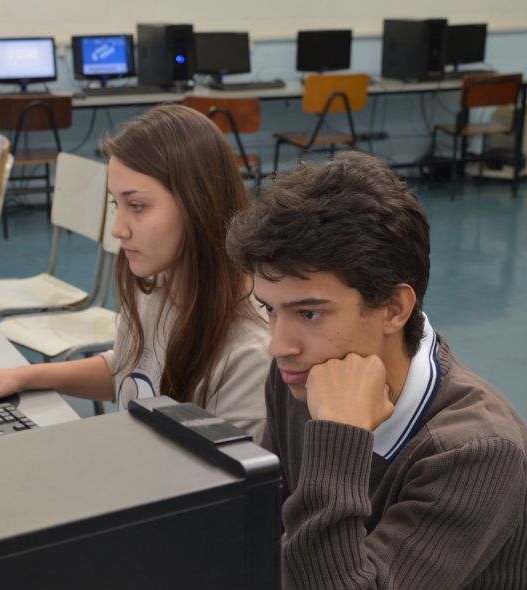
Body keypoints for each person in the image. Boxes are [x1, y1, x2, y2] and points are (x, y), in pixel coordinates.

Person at [226, 150, 527, 588]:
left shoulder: (477, 451)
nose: (278, 345)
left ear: (393, 308)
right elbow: (272, 536)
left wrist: (336, 439)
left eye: (309, 313)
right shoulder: (301, 373)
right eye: (269, 310)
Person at [0, 104, 272, 443]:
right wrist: (21, 377)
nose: (118, 228)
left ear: (199, 205)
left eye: (137, 206)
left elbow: (219, 491)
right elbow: (126, 367)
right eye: (114, 204)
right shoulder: (156, 286)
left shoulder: (251, 352)